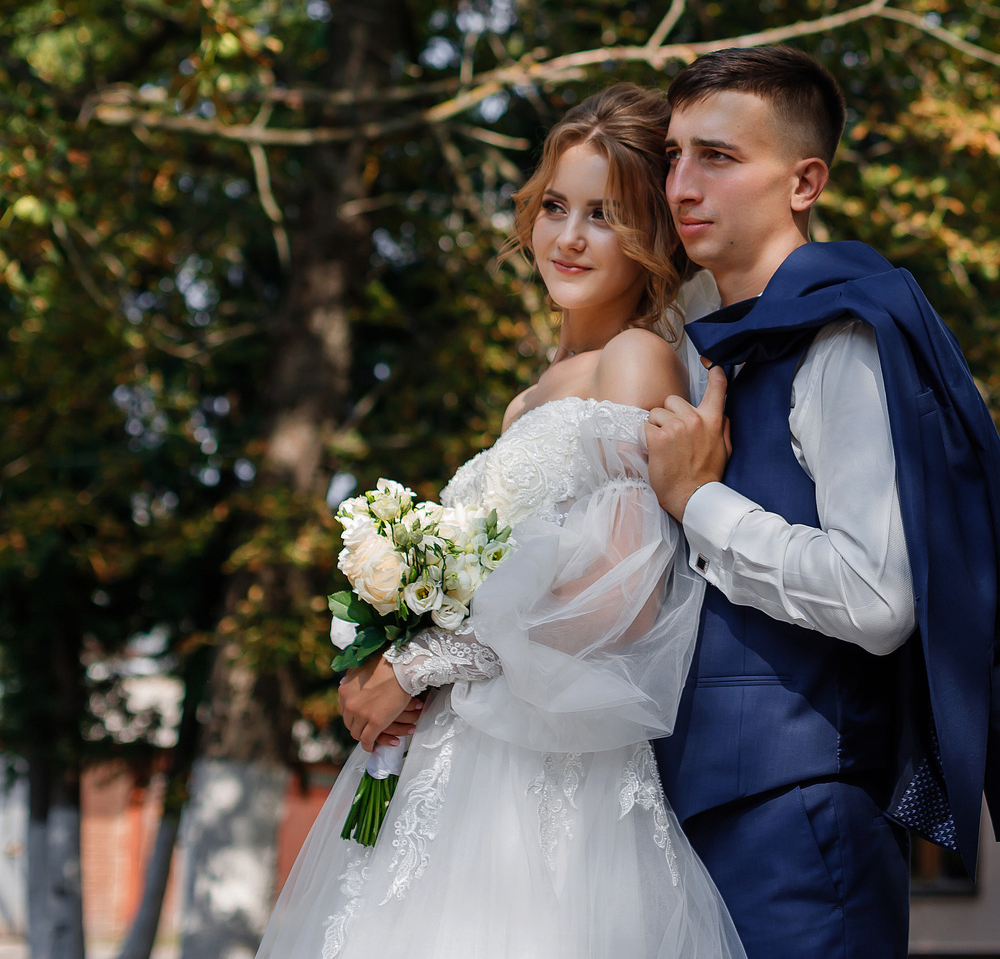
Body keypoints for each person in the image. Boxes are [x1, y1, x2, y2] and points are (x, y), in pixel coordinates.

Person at [260, 84, 745, 959]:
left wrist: (415, 663)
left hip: (542, 779)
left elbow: (622, 598)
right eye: (555, 205)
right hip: (464, 756)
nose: (568, 235)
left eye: (604, 213)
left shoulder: (636, 360)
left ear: (648, 234)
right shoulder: (532, 395)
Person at [644, 46, 1000, 959]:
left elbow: (878, 600)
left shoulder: (846, 343)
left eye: (718, 156)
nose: (682, 183)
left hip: (799, 820)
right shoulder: (686, 347)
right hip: (671, 808)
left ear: (805, 181)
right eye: (673, 155)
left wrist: (700, 502)